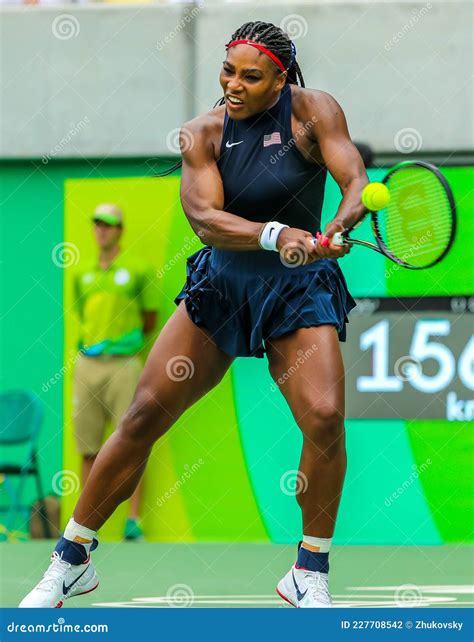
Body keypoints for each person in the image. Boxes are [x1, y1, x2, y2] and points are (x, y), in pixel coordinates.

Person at [20, 20, 367, 609]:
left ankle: (308, 570)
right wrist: (281, 233)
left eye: (250, 77)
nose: (233, 84)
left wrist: (341, 220)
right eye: (227, 71)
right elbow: (206, 220)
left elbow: (354, 177)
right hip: (223, 286)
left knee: (327, 417)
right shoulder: (202, 133)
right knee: (143, 418)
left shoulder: (314, 111)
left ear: (280, 80)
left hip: (298, 289)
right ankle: (70, 561)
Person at [72, 204, 159, 541]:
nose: (102, 231)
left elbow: (150, 319)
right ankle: (84, 525)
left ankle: (133, 520)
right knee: (88, 445)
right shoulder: (82, 273)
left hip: (125, 364)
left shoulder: (138, 269)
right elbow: (83, 312)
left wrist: (126, 342)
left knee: (131, 442)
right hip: (88, 364)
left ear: (120, 230)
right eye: (97, 225)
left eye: (108, 225)